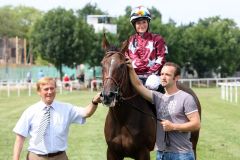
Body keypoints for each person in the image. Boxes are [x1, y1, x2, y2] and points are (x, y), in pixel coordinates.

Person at [126, 59, 201, 160]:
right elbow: (139, 85)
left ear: (176, 78)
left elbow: (196, 124)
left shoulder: (186, 98)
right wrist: (131, 68)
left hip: (181, 155)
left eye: (168, 75)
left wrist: (173, 126)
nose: (163, 77)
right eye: (161, 74)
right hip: (161, 155)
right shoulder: (158, 97)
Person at [12, 77, 101, 160]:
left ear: (56, 89)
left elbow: (86, 113)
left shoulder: (66, 109)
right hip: (36, 157)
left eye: (52, 88)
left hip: (60, 157)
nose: (49, 92)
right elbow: (20, 138)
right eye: (46, 89)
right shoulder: (30, 111)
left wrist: (94, 102)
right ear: (39, 92)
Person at [125, 6, 167, 91]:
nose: (141, 25)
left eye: (144, 22)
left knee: (151, 84)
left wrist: (150, 72)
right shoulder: (129, 41)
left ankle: (161, 103)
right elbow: (126, 59)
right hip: (134, 74)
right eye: (138, 23)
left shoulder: (158, 39)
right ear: (134, 25)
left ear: (148, 23)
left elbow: (161, 58)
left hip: (153, 75)